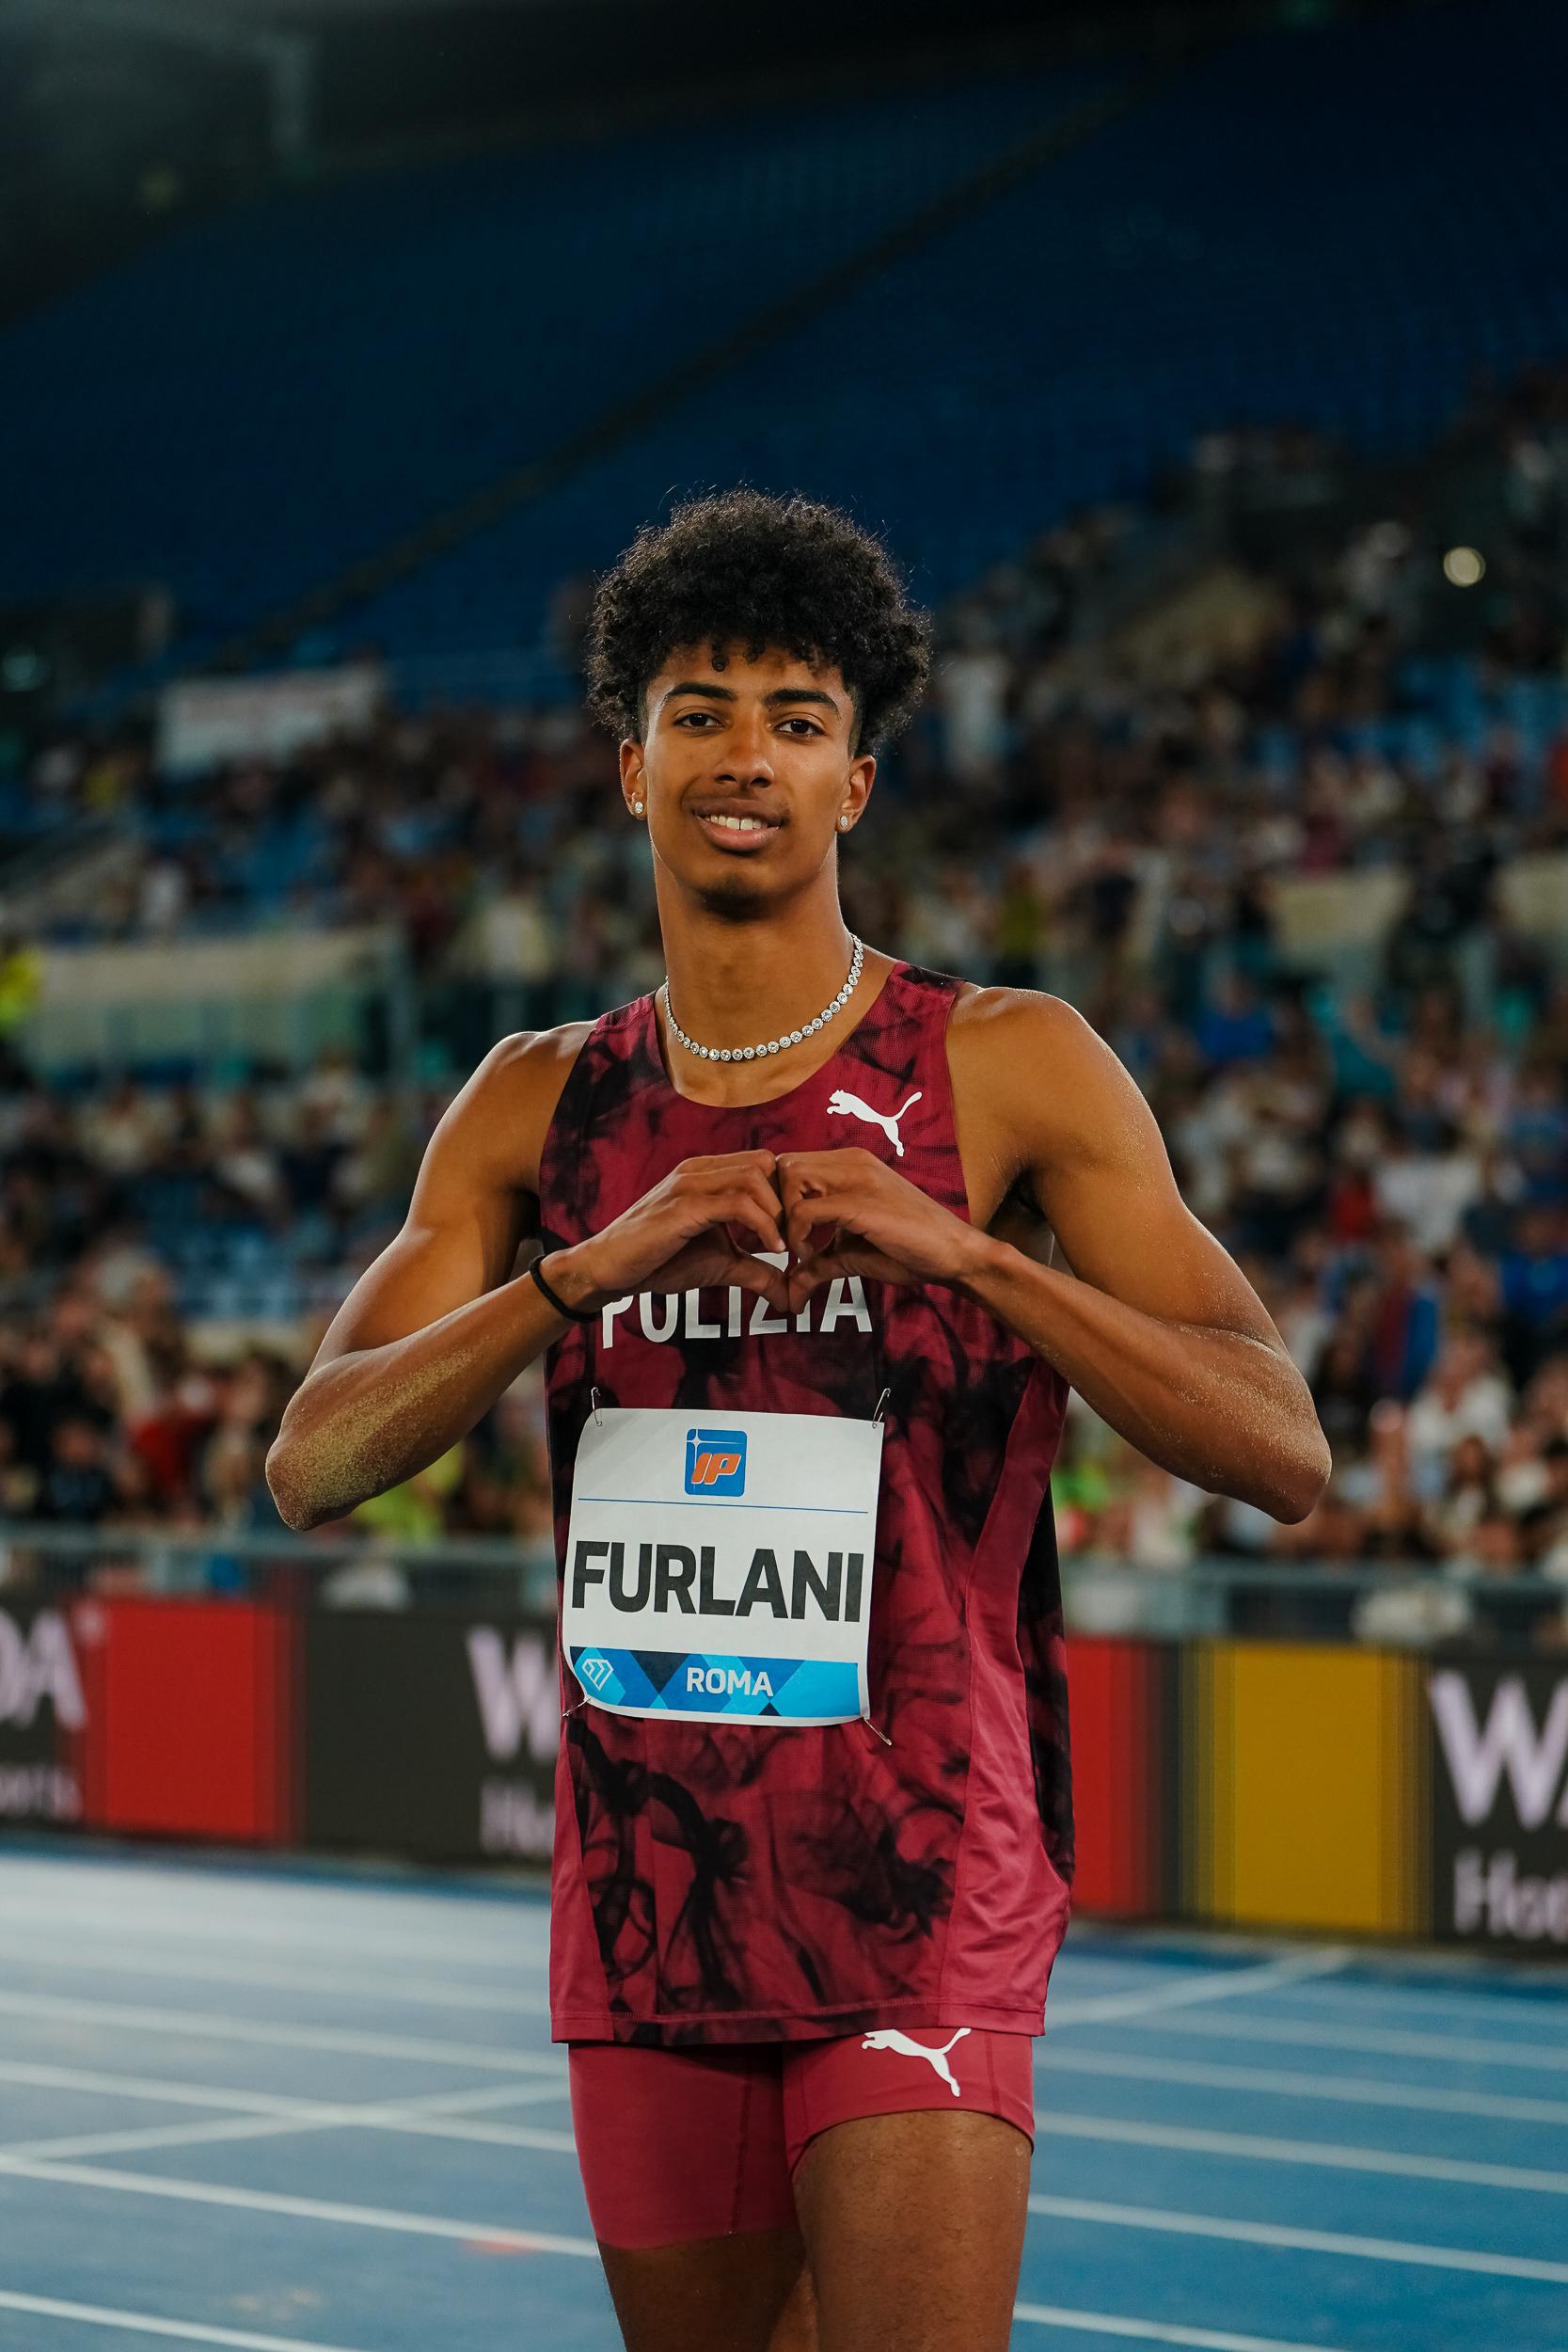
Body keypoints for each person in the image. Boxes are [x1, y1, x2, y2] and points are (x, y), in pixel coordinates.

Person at [266, 490, 1328, 2352]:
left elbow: (1282, 1447)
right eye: (699, 713)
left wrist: (972, 1258)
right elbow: (313, 1461)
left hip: (921, 1877)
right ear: (632, 768)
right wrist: (581, 1274)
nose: (743, 755)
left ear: (857, 780)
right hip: (652, 1892)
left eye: (795, 718)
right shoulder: (534, 1108)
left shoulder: (1004, 1062)